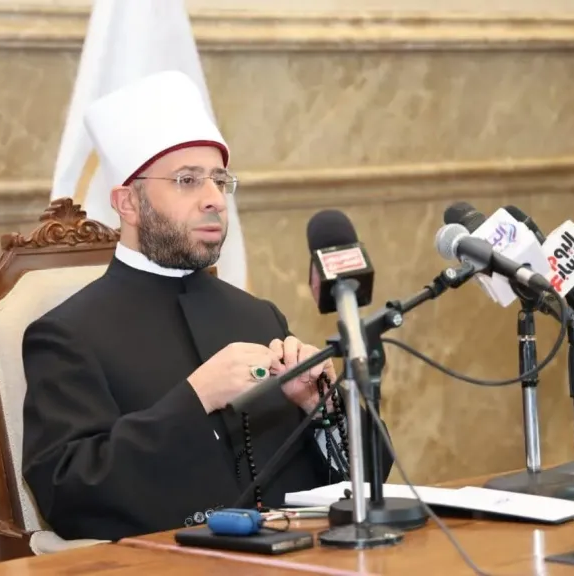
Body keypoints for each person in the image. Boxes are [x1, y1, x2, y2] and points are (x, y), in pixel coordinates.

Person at [21, 71, 391, 543]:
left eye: (219, 180)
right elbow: (68, 495)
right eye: (187, 180)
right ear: (128, 203)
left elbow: (367, 481)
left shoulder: (259, 316)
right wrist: (195, 400)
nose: (214, 199)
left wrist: (320, 409)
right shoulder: (67, 334)